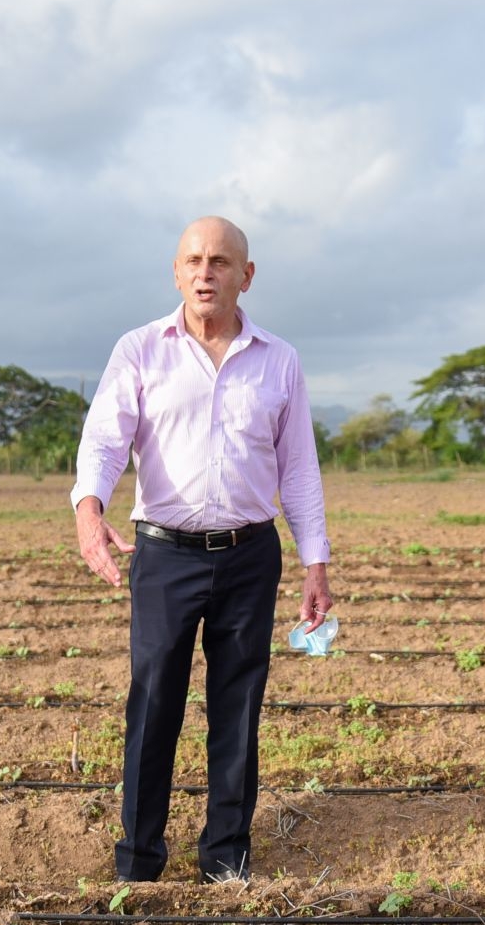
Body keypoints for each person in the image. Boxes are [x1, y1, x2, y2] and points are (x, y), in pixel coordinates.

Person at [72, 217, 332, 883]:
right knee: (154, 699)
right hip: (165, 553)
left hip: (250, 553)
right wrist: (89, 507)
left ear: (246, 275)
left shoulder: (279, 359)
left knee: (238, 705)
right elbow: (105, 440)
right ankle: (139, 860)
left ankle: (226, 857)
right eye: (193, 260)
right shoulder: (140, 349)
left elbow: (298, 466)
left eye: (220, 261)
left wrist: (315, 563)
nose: (205, 272)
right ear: (176, 271)